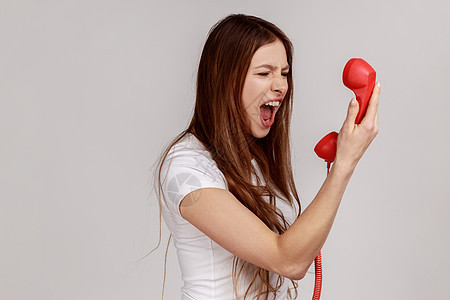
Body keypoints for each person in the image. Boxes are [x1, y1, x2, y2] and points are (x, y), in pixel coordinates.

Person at [155, 13, 380, 300]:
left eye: (284, 73)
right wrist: (344, 164)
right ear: (224, 80)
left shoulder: (252, 161)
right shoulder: (186, 168)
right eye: (264, 73)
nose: (281, 86)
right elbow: (288, 260)